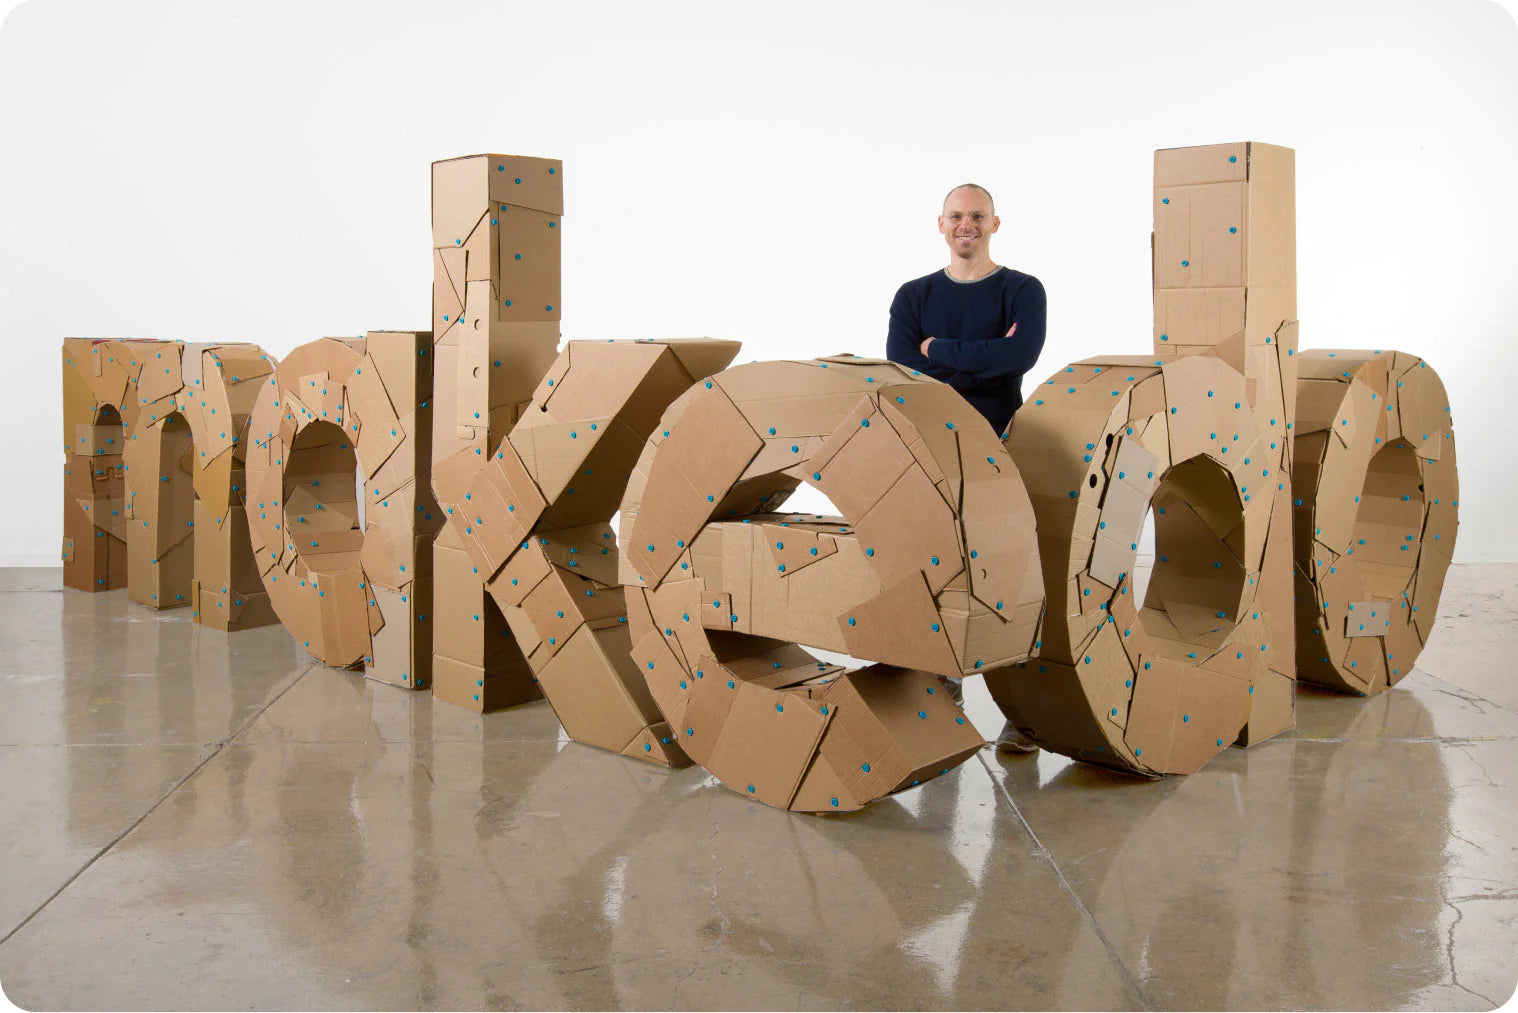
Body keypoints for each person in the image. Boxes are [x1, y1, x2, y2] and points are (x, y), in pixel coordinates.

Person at [885, 181, 1046, 755]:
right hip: (929, 448)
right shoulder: (913, 296)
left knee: (1010, 575)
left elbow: (1019, 358)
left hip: (1002, 445)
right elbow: (903, 372)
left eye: (976, 215)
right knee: (936, 571)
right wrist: (977, 360)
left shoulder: (1023, 290)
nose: (966, 224)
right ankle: (939, 688)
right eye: (956, 216)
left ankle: (1024, 713)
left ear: (995, 224)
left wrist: (939, 351)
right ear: (940, 224)